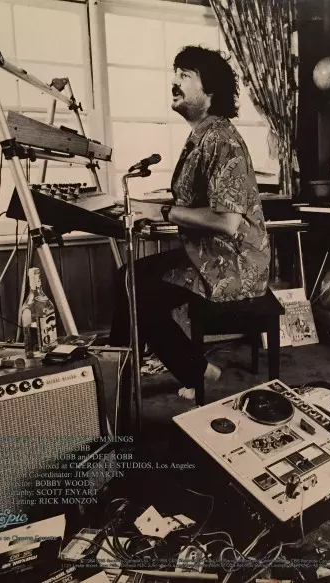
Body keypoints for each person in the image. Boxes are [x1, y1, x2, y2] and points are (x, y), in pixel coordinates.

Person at [110, 45, 271, 407]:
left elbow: (227, 221)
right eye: (175, 73)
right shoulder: (202, 136)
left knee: (136, 289)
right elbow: (192, 207)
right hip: (208, 255)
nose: (174, 82)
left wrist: (163, 213)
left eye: (184, 75)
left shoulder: (222, 140)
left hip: (235, 264)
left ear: (209, 89)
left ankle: (120, 384)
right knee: (128, 278)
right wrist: (151, 211)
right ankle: (129, 378)